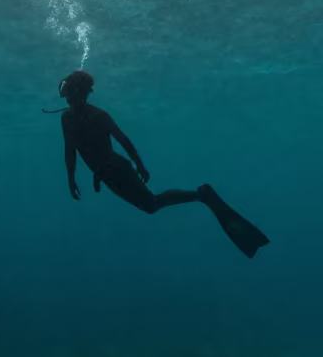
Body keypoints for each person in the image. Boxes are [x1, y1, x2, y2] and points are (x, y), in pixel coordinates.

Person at [53, 70, 269, 258]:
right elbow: (70, 150)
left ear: (77, 93)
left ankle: (201, 195)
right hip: (108, 174)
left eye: (69, 92)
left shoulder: (98, 115)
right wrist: (70, 178)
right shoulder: (67, 119)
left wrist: (139, 165)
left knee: (152, 204)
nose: (66, 98)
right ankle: (200, 195)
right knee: (151, 205)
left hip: (117, 170)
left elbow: (123, 140)